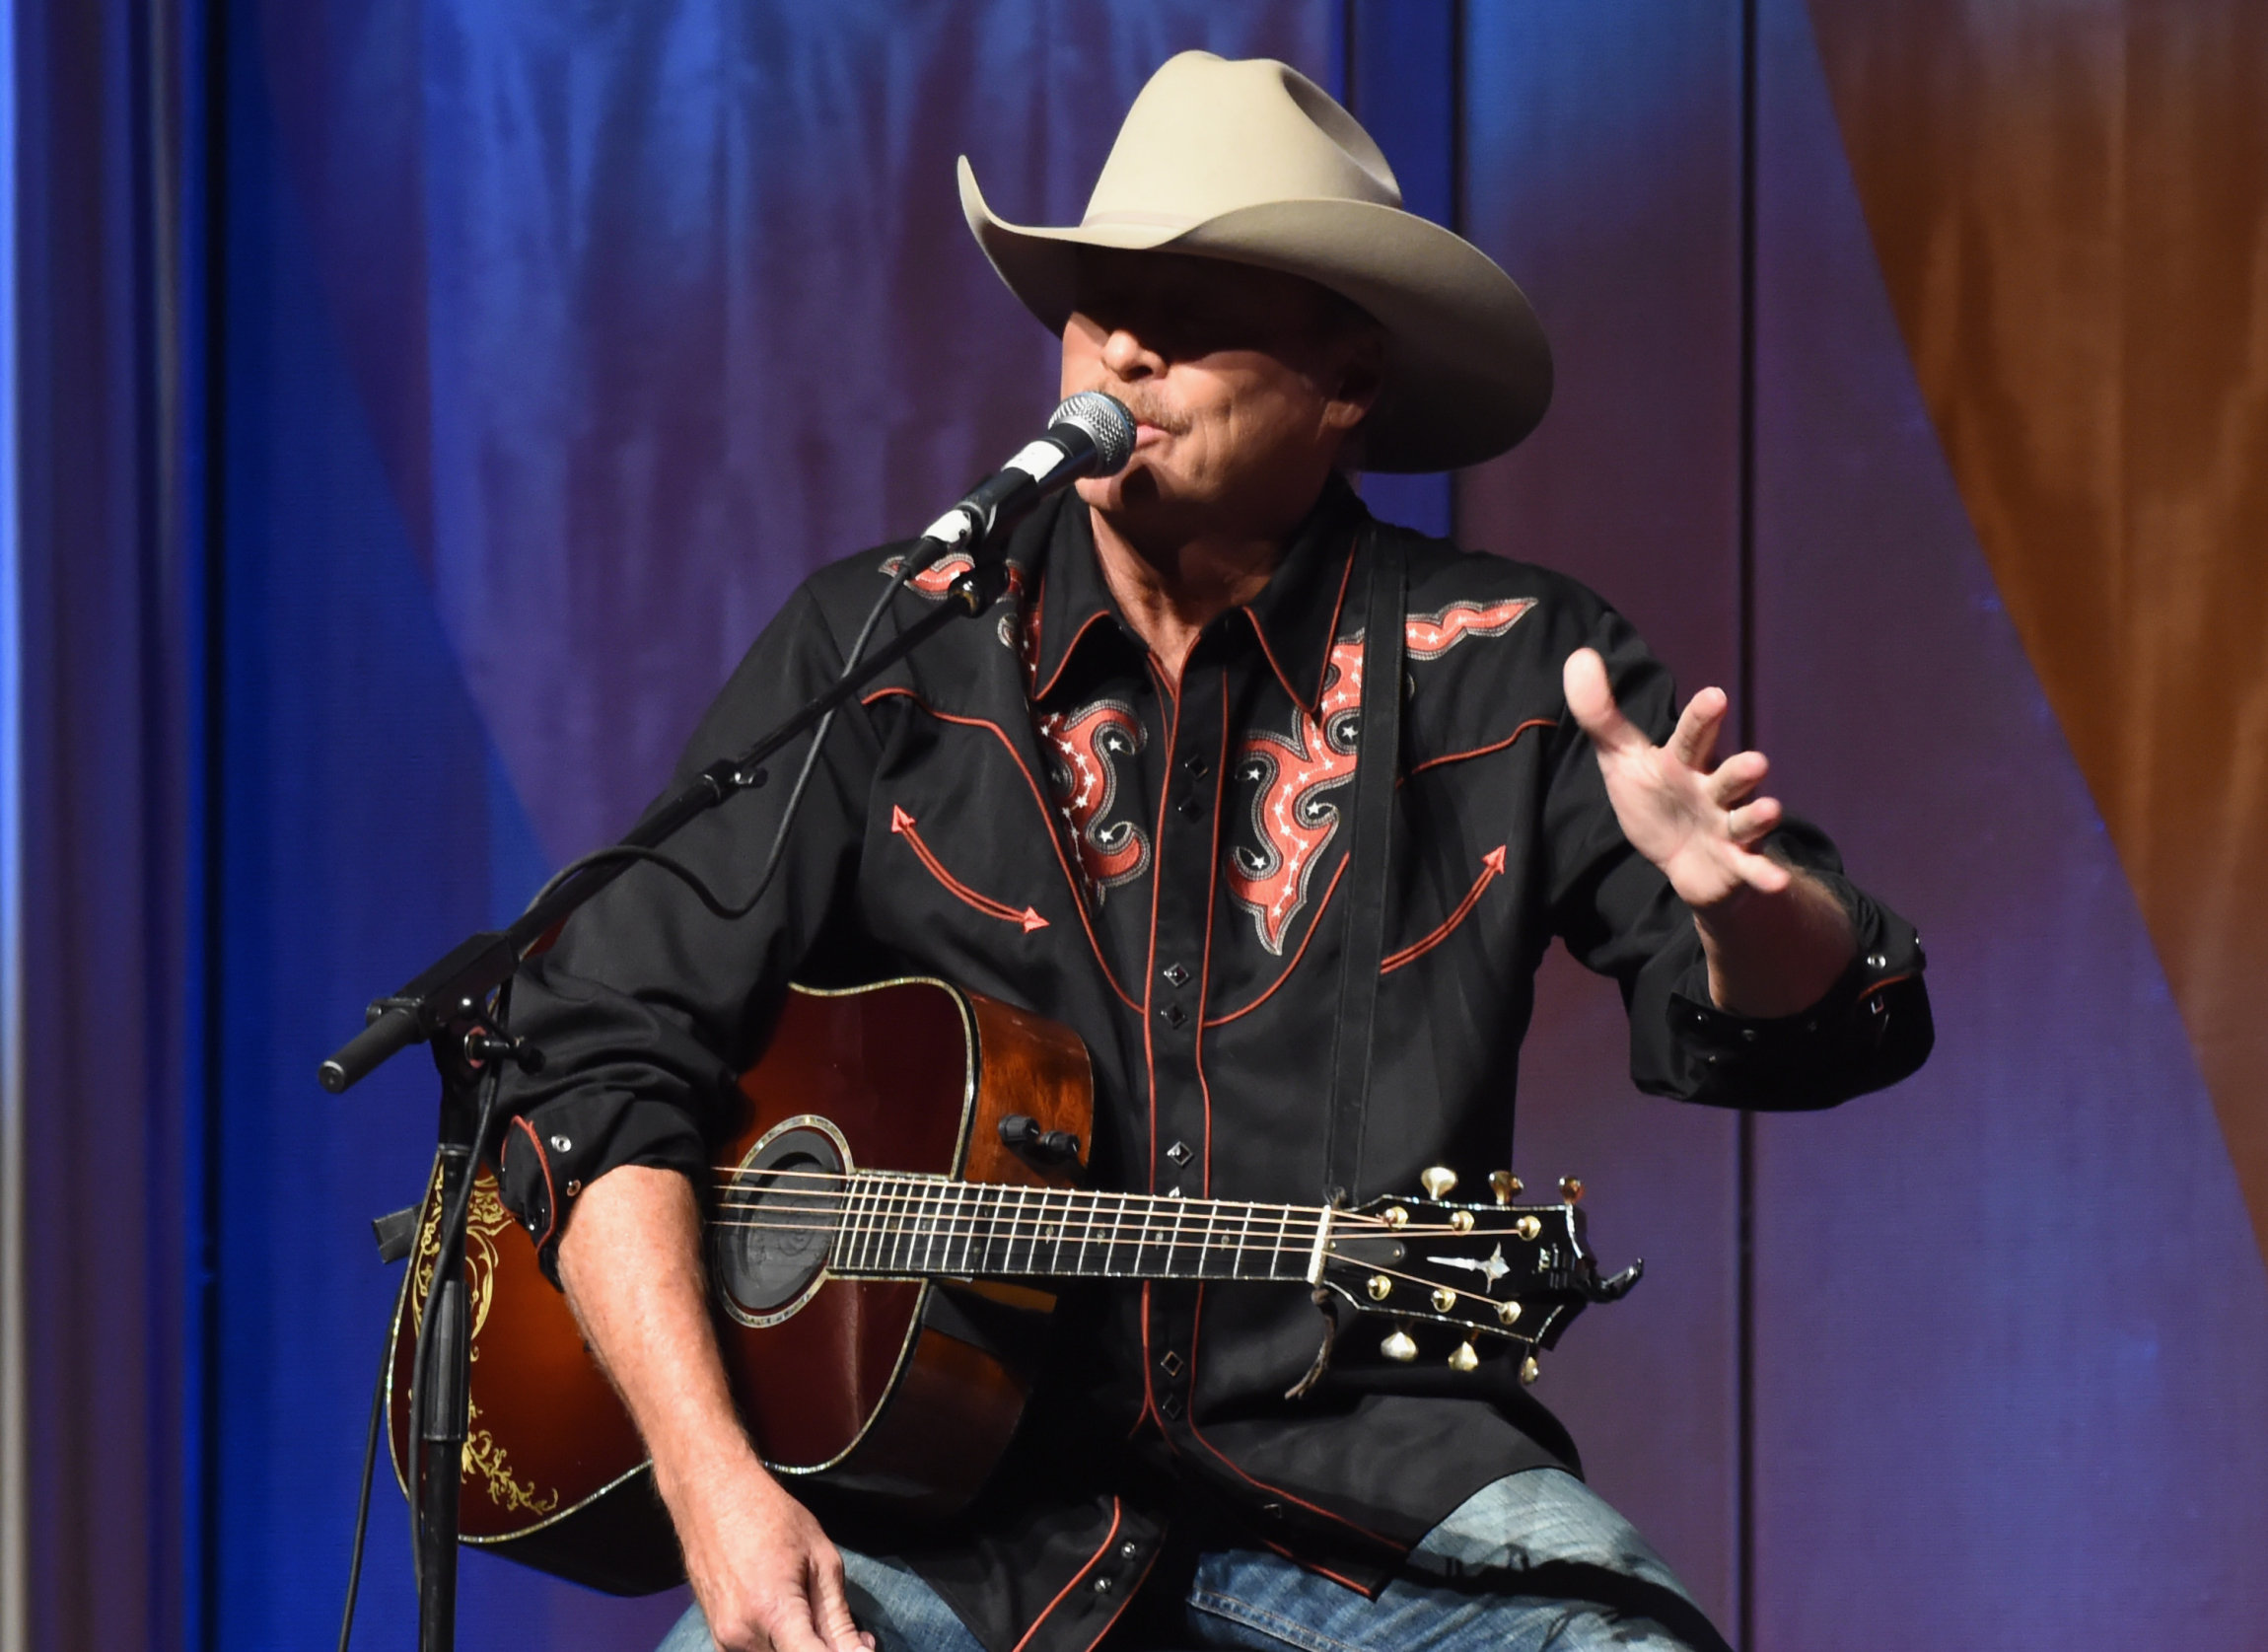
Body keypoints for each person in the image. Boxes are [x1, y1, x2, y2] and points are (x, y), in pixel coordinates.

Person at [496, 51, 1930, 1652]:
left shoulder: (1516, 667)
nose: (1126, 342)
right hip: (946, 1530)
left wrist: (1743, 911)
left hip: (1378, 1514)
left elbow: (1833, 1019)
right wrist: (715, 1492)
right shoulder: (889, 645)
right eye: (1099, 297)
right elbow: (591, 1052)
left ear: (1350, 384)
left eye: (1199, 302)